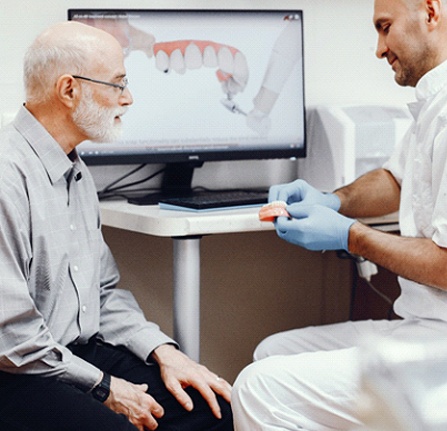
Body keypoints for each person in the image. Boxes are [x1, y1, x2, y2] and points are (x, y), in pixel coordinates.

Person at [0, 21, 233, 431]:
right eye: (118, 84)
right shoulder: (6, 176)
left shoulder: (74, 169)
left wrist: (164, 351)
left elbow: (102, 294)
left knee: (211, 409)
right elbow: (12, 339)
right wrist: (106, 389)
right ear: (69, 90)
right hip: (18, 372)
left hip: (76, 354)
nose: (128, 98)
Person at [232, 0, 447, 429]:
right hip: (424, 325)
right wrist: (332, 200)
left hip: (439, 343)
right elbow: (398, 179)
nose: (379, 48)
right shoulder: (435, 101)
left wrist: (353, 236)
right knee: (273, 353)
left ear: (430, 11)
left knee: (260, 387)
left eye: (385, 28)